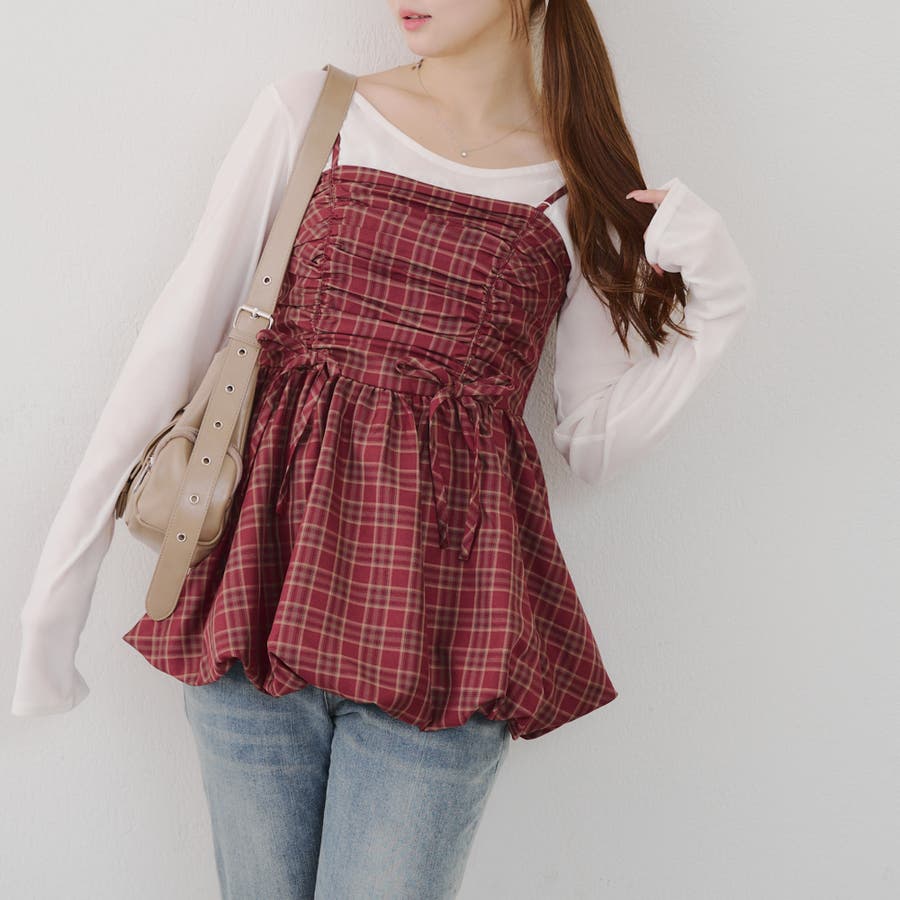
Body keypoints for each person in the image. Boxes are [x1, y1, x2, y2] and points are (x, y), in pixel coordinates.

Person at [11, 1, 755, 897]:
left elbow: (592, 443)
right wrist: (54, 606)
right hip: (261, 599)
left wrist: (720, 305)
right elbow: (173, 350)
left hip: (445, 637)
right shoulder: (312, 113)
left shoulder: (579, 184)